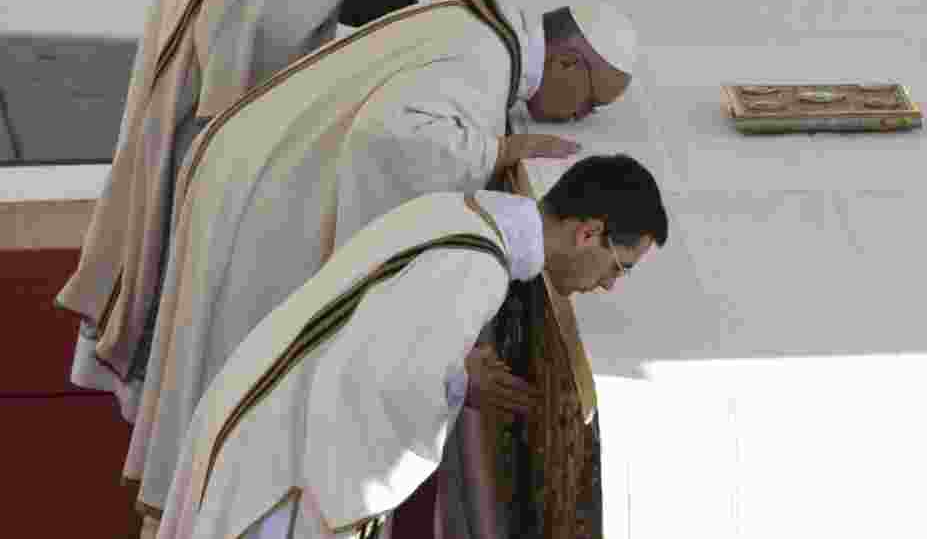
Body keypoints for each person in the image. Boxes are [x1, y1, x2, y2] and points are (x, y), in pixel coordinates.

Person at [56, 0, 567, 418]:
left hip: (192, 6)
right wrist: (267, 114)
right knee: (186, 223)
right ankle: (162, 393)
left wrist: (426, 24)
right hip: (216, 70)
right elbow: (265, 17)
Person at [126, 0, 641, 531]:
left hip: (256, 184)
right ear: (565, 64)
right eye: (590, 102)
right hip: (271, 210)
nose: (584, 116)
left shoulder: (457, 195)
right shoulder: (475, 254)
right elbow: (386, 138)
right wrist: (496, 151)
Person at [155, 154, 669, 539]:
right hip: (283, 464)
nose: (609, 286)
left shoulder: (461, 213)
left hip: (258, 409)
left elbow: (382, 337)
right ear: (588, 234)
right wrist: (455, 381)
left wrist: (452, 372)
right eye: (619, 267)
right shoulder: (478, 271)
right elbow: (387, 388)